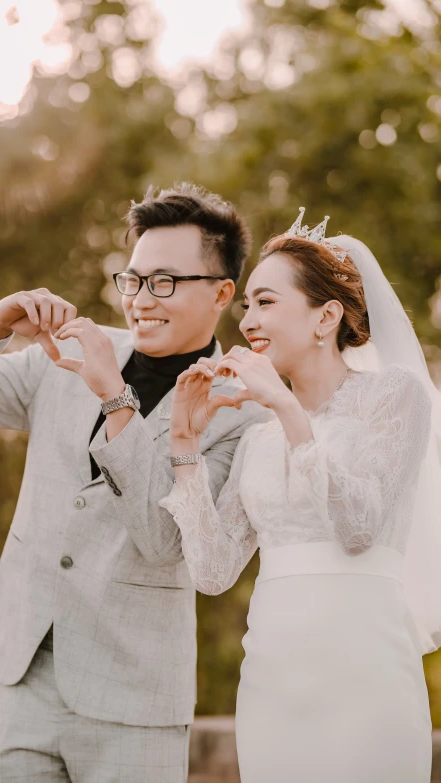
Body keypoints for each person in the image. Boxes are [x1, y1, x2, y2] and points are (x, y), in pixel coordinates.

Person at [0, 183, 269, 783]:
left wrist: (116, 398)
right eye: (131, 280)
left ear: (221, 292)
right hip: (20, 669)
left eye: (164, 282)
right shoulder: (73, 354)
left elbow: (166, 541)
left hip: (135, 697)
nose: (139, 299)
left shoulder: (245, 411)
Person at [159, 208, 441, 783]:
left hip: (367, 673)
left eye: (265, 301)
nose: (248, 322)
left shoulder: (396, 397)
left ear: (326, 316)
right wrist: (185, 445)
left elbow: (358, 527)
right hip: (273, 682)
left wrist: (286, 408)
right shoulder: (256, 437)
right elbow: (213, 571)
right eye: (247, 306)